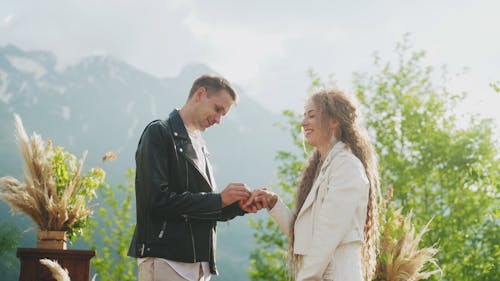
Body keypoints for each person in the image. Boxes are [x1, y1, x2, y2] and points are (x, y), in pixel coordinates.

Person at [128, 74, 261, 281]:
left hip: (198, 268)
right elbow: (156, 201)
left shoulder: (200, 145)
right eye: (218, 109)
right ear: (200, 94)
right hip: (166, 261)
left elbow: (200, 209)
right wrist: (219, 199)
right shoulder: (159, 132)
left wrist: (236, 207)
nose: (218, 120)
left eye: (223, 114)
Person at [248, 89, 379, 281]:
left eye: (311, 115)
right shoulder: (324, 168)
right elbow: (304, 237)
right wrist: (274, 204)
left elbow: (328, 236)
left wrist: (305, 278)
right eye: (304, 116)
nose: (303, 122)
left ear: (334, 121)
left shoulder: (346, 166)